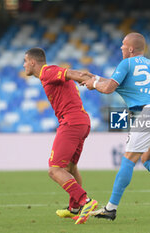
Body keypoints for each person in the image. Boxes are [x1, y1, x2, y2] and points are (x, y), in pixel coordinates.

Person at [81, 32, 150, 221]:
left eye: (123, 45)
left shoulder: (126, 63)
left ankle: (111, 208)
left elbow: (109, 88)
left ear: (131, 49)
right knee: (148, 158)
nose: (121, 48)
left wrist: (94, 83)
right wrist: (94, 78)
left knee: (128, 160)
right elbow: (122, 84)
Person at [23, 47, 97, 224]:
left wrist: (84, 78)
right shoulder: (49, 74)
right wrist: (87, 77)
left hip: (71, 122)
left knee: (54, 169)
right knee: (70, 168)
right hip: (82, 121)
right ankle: (74, 209)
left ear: (33, 62)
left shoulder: (47, 71)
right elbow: (70, 74)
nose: (24, 65)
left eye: (25, 61)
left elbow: (68, 72)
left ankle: (85, 201)